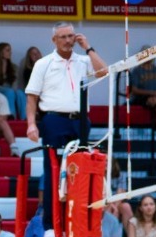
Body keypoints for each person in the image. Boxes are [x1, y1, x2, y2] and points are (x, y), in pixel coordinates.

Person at [25, 24, 107, 153]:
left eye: (70, 36)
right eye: (63, 37)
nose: (67, 40)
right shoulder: (43, 63)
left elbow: (104, 71)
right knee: (53, 165)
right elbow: (32, 96)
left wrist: (88, 47)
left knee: (80, 165)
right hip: (54, 120)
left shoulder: (84, 60)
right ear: (54, 40)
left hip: (80, 121)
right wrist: (31, 124)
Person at [127, 58, 156, 127]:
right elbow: (134, 90)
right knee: (153, 100)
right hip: (143, 97)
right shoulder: (137, 71)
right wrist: (152, 93)